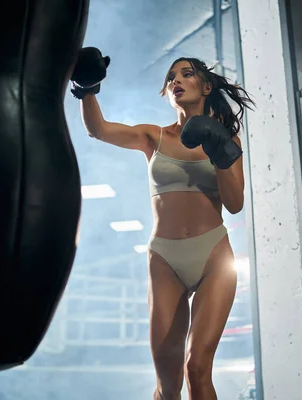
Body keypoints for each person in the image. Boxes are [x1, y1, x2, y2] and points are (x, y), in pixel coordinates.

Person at [70, 47, 254, 400]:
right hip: (165, 259)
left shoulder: (228, 140)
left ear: (206, 87)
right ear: (167, 93)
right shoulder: (153, 136)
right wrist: (87, 88)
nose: (176, 81)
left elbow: (234, 204)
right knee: (168, 386)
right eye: (171, 78)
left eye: (185, 74)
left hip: (213, 255)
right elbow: (99, 130)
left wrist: (223, 153)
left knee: (197, 369)